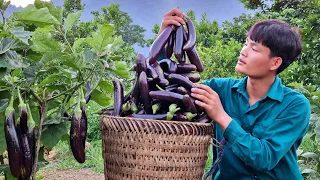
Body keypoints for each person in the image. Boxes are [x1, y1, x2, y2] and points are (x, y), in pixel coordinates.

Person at [158, 8, 311, 179]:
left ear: (275, 63)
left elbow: (264, 158)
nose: (243, 51)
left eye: (254, 48)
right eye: (246, 43)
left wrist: (221, 116)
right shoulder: (220, 89)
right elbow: (169, 88)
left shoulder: (295, 105)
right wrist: (164, 38)